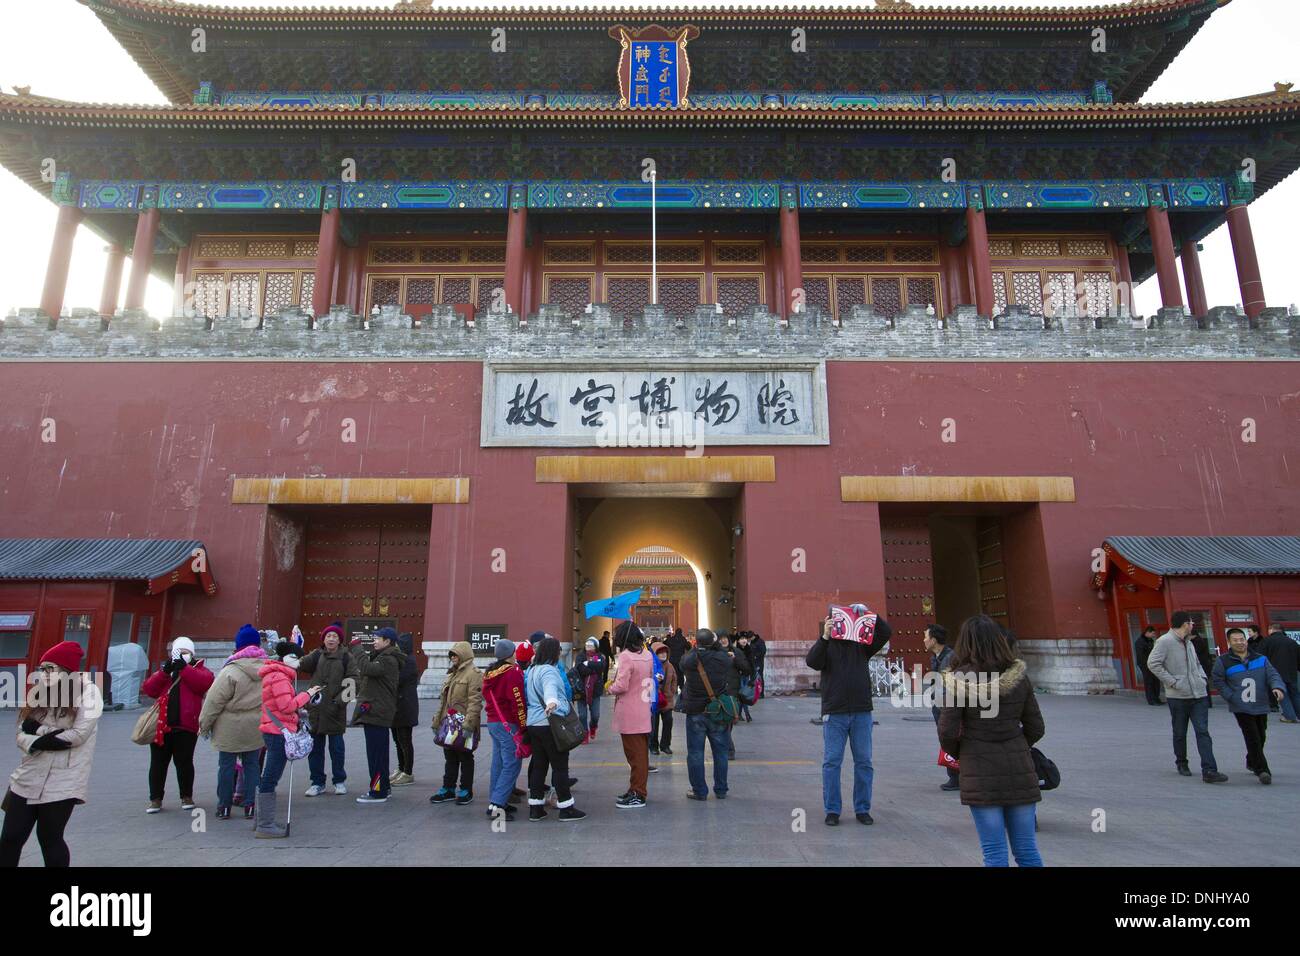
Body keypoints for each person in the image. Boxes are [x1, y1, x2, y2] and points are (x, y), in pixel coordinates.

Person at [938, 614, 1045, 867]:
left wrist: (964, 752)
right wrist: (1017, 743)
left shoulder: (958, 680)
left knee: (994, 853)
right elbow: (1036, 727)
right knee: (1027, 849)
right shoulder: (1018, 676)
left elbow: (947, 731)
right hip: (1019, 769)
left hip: (979, 769)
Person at [1, 641, 100, 867]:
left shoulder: (89, 692)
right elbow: (20, 733)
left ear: (66, 670)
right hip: (28, 774)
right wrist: (43, 738)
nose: (43, 674)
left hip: (64, 778)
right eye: (41, 668)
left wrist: (38, 732)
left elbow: (78, 736)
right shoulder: (39, 693)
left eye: (50, 668)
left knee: (49, 839)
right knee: (10, 837)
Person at [806, 606, 892, 826]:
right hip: (835, 713)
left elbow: (885, 633)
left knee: (864, 762)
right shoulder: (826, 645)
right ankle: (832, 810)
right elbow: (812, 661)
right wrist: (824, 636)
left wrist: (868, 613)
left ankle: (862, 808)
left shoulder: (861, 644)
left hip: (862, 711)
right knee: (832, 762)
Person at [1146, 611, 1228, 782]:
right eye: (1191, 623)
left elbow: (1196, 663)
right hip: (1178, 696)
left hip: (1198, 694)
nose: (1193, 626)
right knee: (1180, 732)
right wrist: (1173, 682)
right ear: (1185, 624)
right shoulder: (1165, 641)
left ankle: (1209, 770)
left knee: (1202, 731)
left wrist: (1201, 678)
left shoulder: (1189, 642)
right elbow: (1152, 663)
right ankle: (1181, 762)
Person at [198, 624, 266, 820]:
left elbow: (214, 700)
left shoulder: (230, 671)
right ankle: (251, 804)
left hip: (230, 725)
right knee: (252, 765)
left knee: (227, 766)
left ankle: (224, 805)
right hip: (255, 723)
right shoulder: (266, 669)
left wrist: (204, 724)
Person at [141, 636, 214, 814]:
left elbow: (203, 684)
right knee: (158, 763)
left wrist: (184, 668)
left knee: (184, 762)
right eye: (179, 653)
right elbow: (149, 689)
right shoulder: (167, 670)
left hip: (186, 725)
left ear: (192, 654)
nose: (182, 656)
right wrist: (164, 672)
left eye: (185, 653)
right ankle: (155, 798)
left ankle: (186, 796)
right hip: (162, 725)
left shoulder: (200, 670)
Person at [256, 642, 322, 838]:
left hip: (274, 728)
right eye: (295, 657)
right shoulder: (280, 678)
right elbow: (286, 706)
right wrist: (307, 694)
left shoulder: (278, 675)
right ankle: (264, 824)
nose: (298, 662)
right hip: (277, 731)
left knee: (268, 776)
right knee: (271, 777)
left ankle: (261, 820)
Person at [523, 636, 586, 821]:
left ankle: (535, 808)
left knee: (539, 767)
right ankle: (566, 807)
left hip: (534, 724)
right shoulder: (549, 671)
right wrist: (551, 702)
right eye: (558, 650)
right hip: (549, 723)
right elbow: (550, 688)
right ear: (553, 652)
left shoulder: (532, 669)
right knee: (560, 767)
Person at [1211, 627, 1286, 784]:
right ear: (1229, 642)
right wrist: (1230, 696)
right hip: (1241, 706)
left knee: (1261, 735)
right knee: (1252, 737)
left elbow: (1273, 675)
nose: (1240, 643)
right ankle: (1263, 770)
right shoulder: (1223, 661)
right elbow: (1218, 680)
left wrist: (1277, 687)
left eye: (1242, 639)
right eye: (1235, 640)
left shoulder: (1260, 658)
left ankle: (1252, 760)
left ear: (1246, 640)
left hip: (1260, 703)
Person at [679, 628, 746, 800]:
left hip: (695, 712)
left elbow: (683, 662)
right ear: (713, 642)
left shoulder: (690, 660)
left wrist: (697, 648)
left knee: (695, 753)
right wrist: (714, 644)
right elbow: (725, 654)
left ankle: (699, 791)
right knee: (721, 752)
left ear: (697, 643)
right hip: (717, 711)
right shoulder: (722, 659)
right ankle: (721, 789)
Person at [298, 623, 358, 797]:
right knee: (315, 749)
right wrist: (291, 654)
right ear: (323, 639)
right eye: (328, 636)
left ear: (340, 640)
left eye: (335, 636)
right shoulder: (317, 655)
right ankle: (317, 782)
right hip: (315, 710)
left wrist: (339, 702)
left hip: (335, 711)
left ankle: (339, 780)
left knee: (336, 749)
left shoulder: (347, 658)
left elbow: (354, 682)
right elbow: (301, 665)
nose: (331, 639)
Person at [353, 627, 404, 804]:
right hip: (377, 711)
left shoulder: (388, 659)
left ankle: (377, 792)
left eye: (377, 639)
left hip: (377, 712)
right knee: (379, 754)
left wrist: (357, 649)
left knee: (375, 755)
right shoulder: (386, 657)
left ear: (388, 641)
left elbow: (366, 668)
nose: (374, 641)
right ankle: (384, 788)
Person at [430, 640, 484, 806]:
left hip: (464, 723)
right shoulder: (452, 674)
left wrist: (469, 724)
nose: (453, 657)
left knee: (465, 756)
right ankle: (448, 788)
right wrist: (437, 721)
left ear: (464, 655)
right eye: (451, 655)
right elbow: (444, 702)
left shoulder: (474, 674)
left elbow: (475, 701)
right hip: (449, 724)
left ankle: (466, 789)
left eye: (456, 654)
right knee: (450, 756)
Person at [607, 620, 654, 809]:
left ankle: (638, 793)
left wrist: (610, 687)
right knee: (640, 754)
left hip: (629, 711)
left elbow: (622, 686)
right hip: (643, 708)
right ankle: (635, 788)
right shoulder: (648, 655)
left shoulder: (626, 656)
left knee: (635, 756)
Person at [483, 640, 529, 819]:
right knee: (512, 763)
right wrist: (523, 725)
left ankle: (496, 798)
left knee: (498, 762)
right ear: (511, 653)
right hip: (508, 722)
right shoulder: (512, 672)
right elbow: (517, 701)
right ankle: (497, 805)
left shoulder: (490, 672)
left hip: (494, 721)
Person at [923, 623, 959, 792]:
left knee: (952, 738)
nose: (924, 640)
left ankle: (957, 776)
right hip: (939, 706)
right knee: (947, 739)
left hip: (948, 707)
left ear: (934, 640)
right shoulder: (936, 657)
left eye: (926, 637)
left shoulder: (950, 658)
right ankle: (954, 775)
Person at [390, 632, 420, 786]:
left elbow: (396, 680)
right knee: (397, 740)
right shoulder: (401, 659)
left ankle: (408, 772)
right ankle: (401, 768)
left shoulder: (408, 661)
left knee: (405, 741)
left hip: (405, 707)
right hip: (396, 707)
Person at [1258, 623, 1300, 723]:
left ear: (1271, 629)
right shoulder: (1292, 642)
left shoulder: (1266, 641)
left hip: (1275, 673)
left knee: (1282, 694)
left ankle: (1289, 716)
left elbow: (1260, 657)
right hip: (1292, 672)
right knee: (1295, 694)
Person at [573, 637, 606, 742]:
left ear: (596, 647)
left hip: (595, 690)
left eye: (591, 646)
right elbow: (580, 669)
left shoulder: (600, 656)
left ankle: (593, 726)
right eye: (587, 645)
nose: (588, 648)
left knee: (595, 715)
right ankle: (585, 734)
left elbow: (601, 667)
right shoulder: (580, 656)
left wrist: (588, 664)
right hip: (581, 690)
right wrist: (593, 669)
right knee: (582, 715)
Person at [650, 641, 677, 756]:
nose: (663, 655)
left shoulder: (670, 666)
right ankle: (653, 746)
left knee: (668, 722)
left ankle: (665, 745)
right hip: (654, 699)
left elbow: (675, 680)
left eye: (665, 653)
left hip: (667, 700)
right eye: (660, 653)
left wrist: (672, 691)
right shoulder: (651, 666)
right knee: (653, 725)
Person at [1134, 625, 1162, 706]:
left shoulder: (1150, 640)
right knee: (1149, 681)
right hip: (1145, 665)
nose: (1154, 635)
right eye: (1153, 633)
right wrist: (1147, 665)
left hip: (1153, 663)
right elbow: (1141, 655)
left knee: (1156, 681)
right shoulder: (1140, 642)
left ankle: (1157, 698)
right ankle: (1151, 700)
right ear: (1147, 633)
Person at [732, 633, 756, 724]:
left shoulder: (749, 649)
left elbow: (752, 663)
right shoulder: (735, 651)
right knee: (742, 695)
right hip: (739, 676)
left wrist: (753, 675)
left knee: (743, 695)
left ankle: (739, 714)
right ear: (738, 641)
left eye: (745, 638)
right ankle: (747, 714)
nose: (744, 640)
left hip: (747, 675)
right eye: (742, 638)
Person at [666, 627, 689, 693]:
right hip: (680, 659)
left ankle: (674, 687)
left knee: (673, 673)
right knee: (681, 673)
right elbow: (688, 647)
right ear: (681, 632)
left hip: (672, 659)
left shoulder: (671, 639)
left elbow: (665, 644)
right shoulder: (683, 639)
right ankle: (681, 687)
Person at [749, 631, 768, 698]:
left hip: (759, 663)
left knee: (759, 678)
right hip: (753, 663)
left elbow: (763, 651)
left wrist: (756, 656)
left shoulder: (760, 641)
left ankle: (761, 693)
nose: (750, 639)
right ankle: (755, 693)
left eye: (750, 637)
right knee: (754, 678)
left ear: (753, 636)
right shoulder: (752, 642)